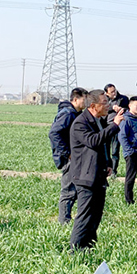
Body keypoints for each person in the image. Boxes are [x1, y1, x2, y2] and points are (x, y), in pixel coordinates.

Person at [69, 89, 125, 250]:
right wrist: (115, 125)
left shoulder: (98, 120)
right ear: (93, 105)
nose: (108, 105)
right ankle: (76, 251)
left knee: (95, 216)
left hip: (97, 174)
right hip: (85, 177)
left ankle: (89, 249)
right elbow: (93, 141)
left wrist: (107, 163)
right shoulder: (81, 123)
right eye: (104, 103)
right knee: (85, 216)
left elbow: (101, 146)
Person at [48, 87, 89, 224]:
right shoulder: (67, 114)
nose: (86, 103)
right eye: (85, 99)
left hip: (76, 156)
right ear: (76, 99)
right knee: (68, 191)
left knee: (76, 190)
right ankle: (63, 222)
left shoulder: (76, 114)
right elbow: (54, 133)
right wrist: (67, 153)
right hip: (69, 158)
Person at [103, 84, 129, 177]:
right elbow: (101, 109)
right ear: (106, 93)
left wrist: (121, 109)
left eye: (115, 91)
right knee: (105, 150)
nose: (114, 93)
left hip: (117, 127)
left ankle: (114, 171)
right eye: (111, 92)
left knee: (115, 150)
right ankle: (106, 169)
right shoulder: (104, 100)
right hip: (106, 127)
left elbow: (128, 110)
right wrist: (111, 107)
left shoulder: (123, 99)